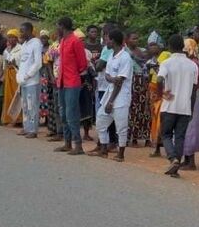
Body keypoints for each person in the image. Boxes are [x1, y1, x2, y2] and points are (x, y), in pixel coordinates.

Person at [157, 34, 199, 178]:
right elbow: (194, 90)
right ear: (182, 46)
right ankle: (176, 165)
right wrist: (191, 108)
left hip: (169, 105)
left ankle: (173, 159)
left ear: (169, 47)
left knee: (166, 134)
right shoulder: (193, 65)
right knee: (180, 137)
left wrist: (161, 93)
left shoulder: (166, 63)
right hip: (185, 107)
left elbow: (159, 79)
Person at [88, 29, 133, 161]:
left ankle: (121, 154)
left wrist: (111, 101)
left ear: (113, 40)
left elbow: (120, 82)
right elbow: (108, 76)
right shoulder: (111, 55)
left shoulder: (125, 58)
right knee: (101, 121)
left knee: (121, 127)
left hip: (120, 97)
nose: (105, 41)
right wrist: (113, 79)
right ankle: (103, 149)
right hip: (110, 93)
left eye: (107, 39)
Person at [54, 17, 90, 156]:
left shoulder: (75, 41)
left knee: (71, 114)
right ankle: (67, 143)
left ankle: (78, 144)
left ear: (63, 26)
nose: (57, 29)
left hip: (72, 82)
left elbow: (82, 64)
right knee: (63, 113)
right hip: (62, 81)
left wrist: (73, 72)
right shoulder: (63, 41)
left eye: (58, 26)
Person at [180, 38, 199, 169]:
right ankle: (187, 158)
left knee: (191, 129)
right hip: (188, 95)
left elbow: (194, 85)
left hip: (192, 97)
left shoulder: (194, 63)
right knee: (186, 127)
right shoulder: (191, 62)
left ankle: (191, 162)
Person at [16, 22, 43, 139]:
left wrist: (27, 75)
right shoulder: (25, 44)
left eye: (23, 31)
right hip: (23, 82)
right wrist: (19, 76)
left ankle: (33, 129)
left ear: (29, 31)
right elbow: (22, 62)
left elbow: (38, 63)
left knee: (32, 105)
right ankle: (26, 127)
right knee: (25, 105)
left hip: (32, 81)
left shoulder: (36, 43)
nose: (21, 33)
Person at [125, 32, 152, 147]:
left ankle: (145, 137)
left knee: (145, 110)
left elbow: (146, 60)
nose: (136, 40)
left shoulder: (142, 50)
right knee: (132, 110)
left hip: (143, 81)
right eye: (133, 38)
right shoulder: (125, 52)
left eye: (137, 38)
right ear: (127, 40)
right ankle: (131, 138)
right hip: (131, 81)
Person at [147, 33, 171, 157]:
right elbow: (151, 77)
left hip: (162, 91)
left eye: (154, 45)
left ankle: (163, 147)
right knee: (155, 119)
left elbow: (160, 75)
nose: (151, 48)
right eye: (150, 45)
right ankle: (156, 147)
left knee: (162, 120)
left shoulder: (165, 56)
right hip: (153, 92)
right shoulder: (152, 60)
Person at [1, 29, 22, 126]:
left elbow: (21, 62)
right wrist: (4, 74)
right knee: (8, 96)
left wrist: (14, 63)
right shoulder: (6, 50)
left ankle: (17, 119)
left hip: (16, 74)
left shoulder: (21, 49)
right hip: (8, 74)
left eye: (12, 37)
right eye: (9, 37)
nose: (10, 39)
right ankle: (8, 118)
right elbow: (4, 63)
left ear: (17, 38)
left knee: (16, 97)